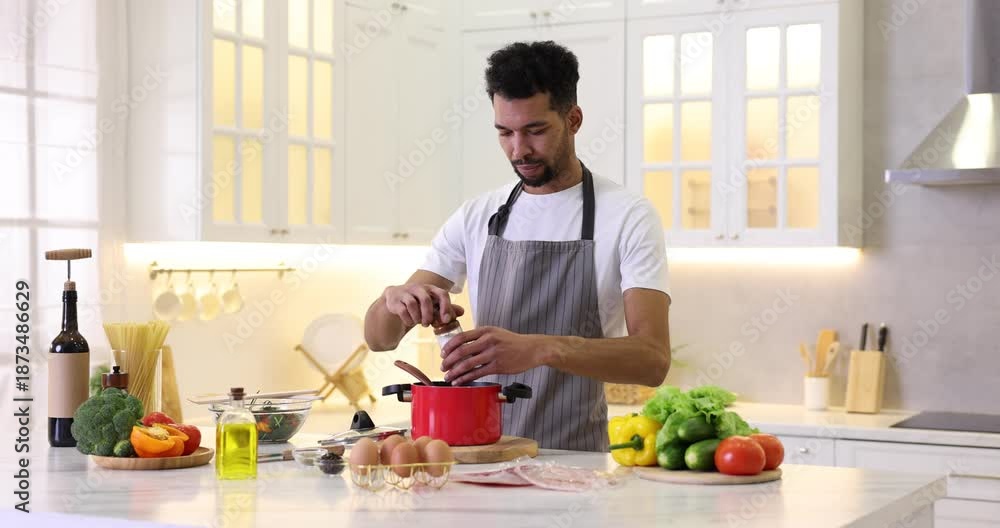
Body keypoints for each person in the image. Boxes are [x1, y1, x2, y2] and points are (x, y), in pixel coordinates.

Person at [364, 41, 671, 451]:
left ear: (573, 119)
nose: (519, 149)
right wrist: (394, 300)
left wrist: (542, 348)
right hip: (480, 457)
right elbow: (379, 338)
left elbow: (653, 360)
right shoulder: (477, 215)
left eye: (536, 131)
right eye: (505, 132)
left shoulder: (628, 215)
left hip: (573, 461)